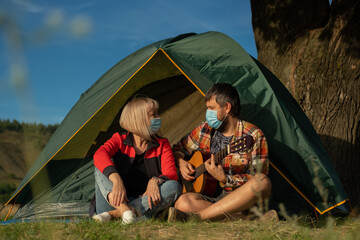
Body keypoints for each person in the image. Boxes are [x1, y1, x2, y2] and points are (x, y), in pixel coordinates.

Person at [168, 83, 277, 222]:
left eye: (211, 108)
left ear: (227, 107)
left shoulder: (253, 135)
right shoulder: (204, 129)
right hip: (211, 197)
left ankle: (198, 217)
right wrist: (181, 162)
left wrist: (225, 179)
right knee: (182, 203)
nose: (208, 113)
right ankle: (247, 220)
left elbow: (258, 175)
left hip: (239, 198)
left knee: (262, 182)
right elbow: (178, 148)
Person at [92, 96, 182, 224]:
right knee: (100, 167)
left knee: (174, 186)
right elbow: (99, 154)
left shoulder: (162, 144)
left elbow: (171, 173)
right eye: (153, 114)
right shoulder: (119, 139)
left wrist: (155, 181)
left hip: (144, 203)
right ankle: (124, 211)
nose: (158, 117)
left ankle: (116, 215)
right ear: (139, 119)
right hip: (114, 201)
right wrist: (116, 179)